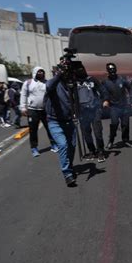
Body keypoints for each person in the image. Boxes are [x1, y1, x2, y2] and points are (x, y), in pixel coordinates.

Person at [45, 59, 79, 187]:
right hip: (55, 122)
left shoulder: (71, 84)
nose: (67, 74)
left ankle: (69, 166)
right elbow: (48, 86)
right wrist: (59, 73)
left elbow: (75, 99)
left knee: (72, 146)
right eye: (64, 71)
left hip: (69, 121)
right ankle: (67, 174)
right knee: (63, 145)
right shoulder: (54, 83)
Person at [20, 67, 57, 157]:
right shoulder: (28, 83)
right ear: (35, 73)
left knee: (50, 128)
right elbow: (23, 95)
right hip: (33, 110)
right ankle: (34, 148)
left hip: (45, 110)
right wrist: (23, 108)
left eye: (42, 71)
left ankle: (54, 144)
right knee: (33, 130)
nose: (40, 73)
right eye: (39, 72)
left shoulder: (47, 82)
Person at [75, 65, 107, 163]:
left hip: (94, 109)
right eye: (78, 70)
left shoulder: (92, 79)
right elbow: (71, 98)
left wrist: (105, 100)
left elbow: (103, 90)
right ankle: (92, 151)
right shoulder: (73, 83)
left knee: (98, 133)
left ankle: (101, 151)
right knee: (86, 133)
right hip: (82, 112)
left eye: (82, 70)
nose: (81, 72)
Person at [102, 63, 132, 149]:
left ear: (116, 70)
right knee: (114, 123)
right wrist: (105, 101)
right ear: (108, 71)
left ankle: (125, 140)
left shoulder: (122, 79)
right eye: (110, 70)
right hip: (114, 107)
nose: (112, 71)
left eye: (113, 69)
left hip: (124, 106)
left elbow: (130, 88)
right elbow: (104, 93)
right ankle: (111, 141)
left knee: (125, 124)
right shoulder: (105, 82)